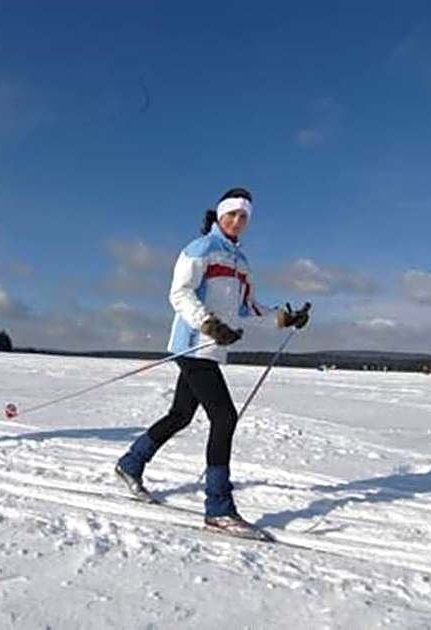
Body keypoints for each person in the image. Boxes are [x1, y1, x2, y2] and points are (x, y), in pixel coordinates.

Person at [114, 188, 310, 537]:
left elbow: (247, 308)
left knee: (180, 415)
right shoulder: (201, 248)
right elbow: (179, 292)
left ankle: (131, 464)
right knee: (224, 416)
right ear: (220, 215)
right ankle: (218, 508)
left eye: (243, 216)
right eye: (232, 214)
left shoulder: (240, 262)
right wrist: (206, 323)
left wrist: (285, 318)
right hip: (192, 345)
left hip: (212, 348)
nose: (237, 221)